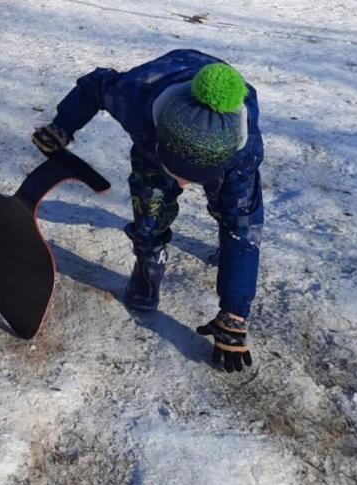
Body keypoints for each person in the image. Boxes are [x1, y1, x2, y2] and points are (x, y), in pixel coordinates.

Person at [32, 49, 263, 372]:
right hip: (153, 144)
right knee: (150, 207)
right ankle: (149, 261)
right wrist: (62, 127)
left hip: (216, 158)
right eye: (179, 174)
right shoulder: (135, 94)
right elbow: (95, 85)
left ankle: (214, 215)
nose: (184, 186)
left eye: (194, 179)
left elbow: (244, 229)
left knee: (230, 212)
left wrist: (234, 315)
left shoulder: (243, 151)